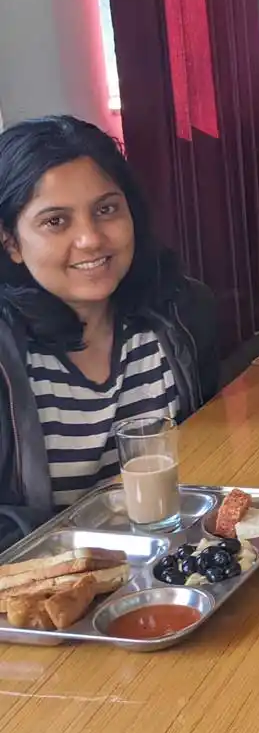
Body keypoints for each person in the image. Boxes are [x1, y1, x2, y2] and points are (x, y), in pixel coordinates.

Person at [0, 116, 218, 549]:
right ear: (11, 242)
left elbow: (213, 446)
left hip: (178, 557)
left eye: (106, 210)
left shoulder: (181, 311)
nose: (91, 239)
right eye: (55, 221)